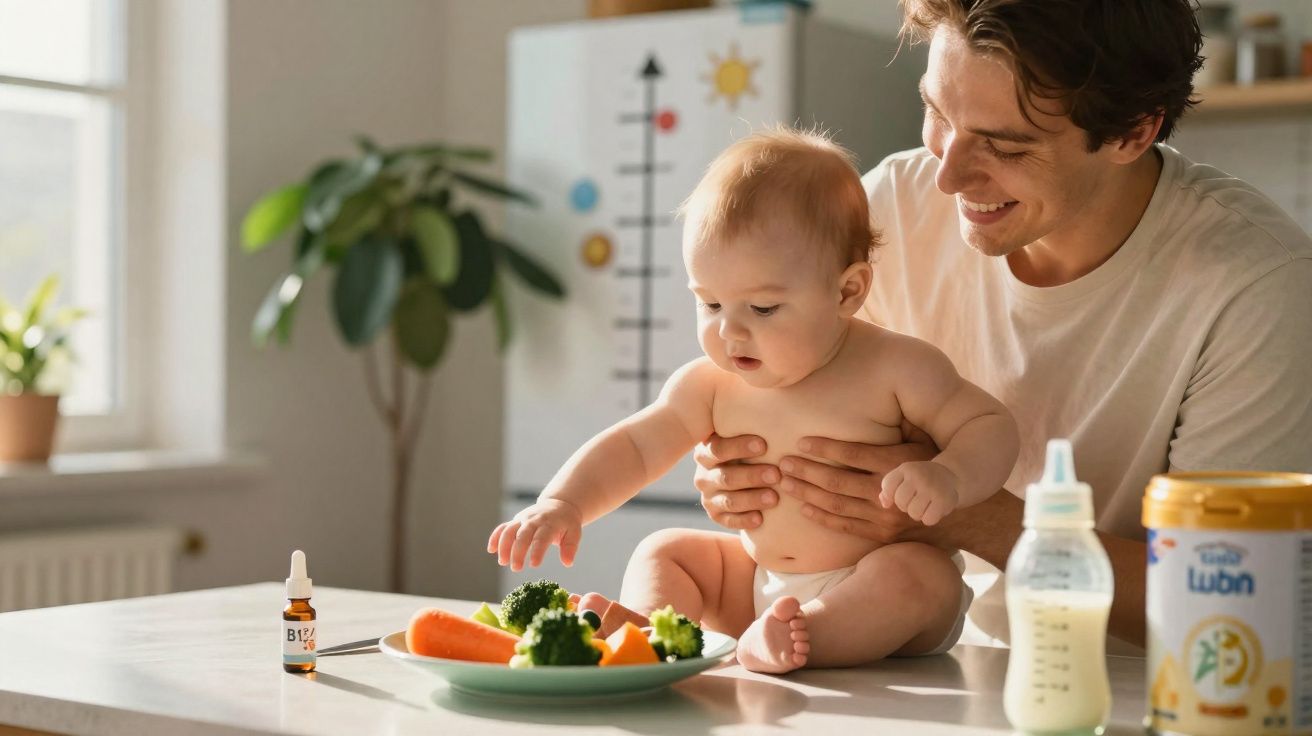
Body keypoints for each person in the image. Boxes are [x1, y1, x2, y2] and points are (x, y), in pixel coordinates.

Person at [678, 0, 1312, 650]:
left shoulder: (1254, 286)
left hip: (1128, 694)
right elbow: (777, 394)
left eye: (1005, 145)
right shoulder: (893, 206)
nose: (948, 175)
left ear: (1132, 133)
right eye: (937, 113)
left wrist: (969, 515)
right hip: (915, 672)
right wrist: (743, 467)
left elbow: (1237, 608)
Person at [489, 128, 1019, 673]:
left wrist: (950, 476)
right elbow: (635, 446)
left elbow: (987, 423)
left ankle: (810, 634)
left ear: (848, 292)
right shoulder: (710, 383)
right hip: (756, 579)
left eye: (763, 309)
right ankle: (650, 633)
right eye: (711, 303)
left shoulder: (897, 366)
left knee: (918, 577)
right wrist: (563, 503)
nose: (730, 333)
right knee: (666, 549)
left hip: (877, 583)